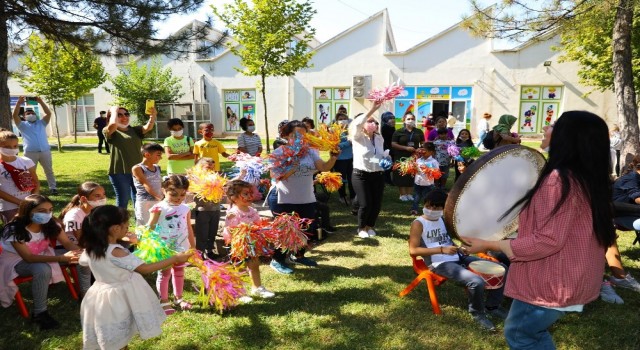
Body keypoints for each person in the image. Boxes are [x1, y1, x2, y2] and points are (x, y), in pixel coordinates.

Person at [462, 111, 617, 348]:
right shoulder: (586, 178)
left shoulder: (558, 180)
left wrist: (489, 244)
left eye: (553, 125)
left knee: (521, 335)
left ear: (567, 137)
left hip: (551, 281)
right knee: (532, 334)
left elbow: (547, 240)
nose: (545, 129)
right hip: (572, 278)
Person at [79, 205, 192, 349]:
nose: (128, 229)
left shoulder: (91, 248)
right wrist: (174, 258)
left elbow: (83, 261)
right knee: (120, 331)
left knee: (111, 332)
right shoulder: (117, 252)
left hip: (99, 295)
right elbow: (144, 268)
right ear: (115, 229)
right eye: (126, 226)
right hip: (120, 297)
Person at [409, 189, 508, 331]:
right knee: (476, 280)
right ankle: (478, 313)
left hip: (457, 256)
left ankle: (493, 306)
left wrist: (459, 248)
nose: (431, 210)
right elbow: (413, 250)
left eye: (437, 207)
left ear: (443, 208)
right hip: (439, 263)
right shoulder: (418, 224)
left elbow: (446, 240)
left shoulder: (442, 220)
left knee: (502, 268)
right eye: (429, 206)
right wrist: (442, 250)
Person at [0, 195, 81, 330]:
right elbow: (28, 258)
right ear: (27, 211)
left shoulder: (50, 224)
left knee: (79, 258)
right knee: (42, 269)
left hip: (42, 256)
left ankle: (85, 293)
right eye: (42, 211)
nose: (47, 214)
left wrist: (81, 253)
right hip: (13, 261)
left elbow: (67, 243)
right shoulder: (14, 229)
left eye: (50, 210)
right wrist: (60, 258)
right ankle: (40, 313)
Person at [267, 120, 339, 273]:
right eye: (295, 135)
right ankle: (277, 260)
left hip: (306, 197)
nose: (299, 138)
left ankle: (298, 255)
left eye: (303, 134)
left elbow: (323, 167)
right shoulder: (279, 152)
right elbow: (275, 175)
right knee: (285, 231)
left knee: (307, 229)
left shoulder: (310, 152)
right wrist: (293, 163)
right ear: (287, 135)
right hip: (283, 198)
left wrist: (333, 157)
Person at [147, 175, 196, 314]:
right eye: (173, 194)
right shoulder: (159, 208)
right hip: (164, 247)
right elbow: (150, 227)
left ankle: (178, 298)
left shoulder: (185, 208)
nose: (178, 197)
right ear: (164, 190)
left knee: (179, 271)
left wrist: (193, 246)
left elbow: (188, 228)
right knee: (164, 273)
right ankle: (163, 301)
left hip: (181, 246)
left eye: (182, 194)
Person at [224, 180, 275, 299]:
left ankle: (257, 288)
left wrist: (263, 223)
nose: (249, 196)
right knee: (240, 267)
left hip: (252, 243)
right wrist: (231, 222)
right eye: (245, 194)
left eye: (249, 193)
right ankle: (240, 292)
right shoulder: (233, 212)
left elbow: (258, 224)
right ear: (234, 198)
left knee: (254, 265)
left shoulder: (252, 210)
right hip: (238, 245)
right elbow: (230, 229)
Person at [58, 181, 107, 296]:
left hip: (86, 245)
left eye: (104, 194)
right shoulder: (74, 216)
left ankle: (103, 283)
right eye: (97, 196)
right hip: (68, 249)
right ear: (84, 199)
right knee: (88, 258)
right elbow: (82, 241)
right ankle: (86, 294)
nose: (103, 198)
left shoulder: (94, 211)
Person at [104, 105, 157, 209]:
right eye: (120, 115)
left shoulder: (134, 130)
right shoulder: (109, 130)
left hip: (138, 171)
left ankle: (140, 223)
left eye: (126, 114)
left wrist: (153, 115)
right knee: (123, 200)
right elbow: (113, 124)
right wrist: (114, 111)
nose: (124, 117)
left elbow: (148, 127)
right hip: (119, 172)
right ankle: (119, 224)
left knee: (139, 199)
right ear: (112, 116)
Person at [349, 102, 385, 238]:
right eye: (369, 121)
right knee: (365, 203)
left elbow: (376, 156)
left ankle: (370, 226)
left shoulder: (379, 137)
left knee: (376, 203)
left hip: (377, 174)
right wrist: (373, 109)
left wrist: (384, 160)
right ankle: (361, 228)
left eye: (374, 122)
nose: (372, 124)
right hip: (361, 175)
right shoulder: (358, 136)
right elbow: (357, 124)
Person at [11, 96, 57, 195]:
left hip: (45, 151)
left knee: (49, 170)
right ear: (24, 116)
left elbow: (48, 113)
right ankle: (30, 189)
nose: (31, 114)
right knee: (30, 172)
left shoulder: (42, 123)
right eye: (28, 113)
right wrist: (19, 103)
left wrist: (41, 102)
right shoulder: (22, 125)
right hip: (30, 153)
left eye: (32, 113)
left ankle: (53, 188)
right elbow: (15, 115)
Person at [0, 129, 40, 223]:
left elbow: (36, 182)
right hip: (9, 207)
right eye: (7, 147)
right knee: (14, 232)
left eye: (15, 146)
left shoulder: (26, 161)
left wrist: (33, 200)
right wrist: (21, 203)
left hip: (30, 203)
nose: (12, 149)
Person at [192, 158, 222, 260]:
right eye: (207, 166)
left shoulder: (216, 177)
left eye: (212, 167)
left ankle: (209, 252)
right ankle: (200, 254)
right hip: (202, 210)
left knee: (212, 232)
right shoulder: (195, 178)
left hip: (216, 209)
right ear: (200, 166)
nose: (210, 168)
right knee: (202, 233)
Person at [391, 112, 425, 202]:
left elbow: (423, 143)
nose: (411, 121)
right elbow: (393, 144)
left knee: (412, 174)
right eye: (408, 119)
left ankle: (409, 194)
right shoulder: (398, 132)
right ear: (404, 120)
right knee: (401, 174)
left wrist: (420, 149)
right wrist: (405, 148)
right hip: (401, 156)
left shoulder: (419, 131)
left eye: (412, 119)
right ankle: (402, 194)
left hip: (414, 157)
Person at [132, 143, 164, 226]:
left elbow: (160, 184)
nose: (161, 157)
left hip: (158, 201)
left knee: (157, 226)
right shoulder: (138, 168)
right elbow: (145, 184)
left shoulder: (157, 167)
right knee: (144, 227)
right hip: (145, 202)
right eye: (158, 155)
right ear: (147, 154)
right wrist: (159, 197)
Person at [410, 142, 438, 216]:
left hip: (428, 184)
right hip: (418, 182)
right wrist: (413, 168)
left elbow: (437, 173)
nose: (422, 151)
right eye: (421, 149)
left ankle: (427, 210)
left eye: (424, 150)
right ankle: (414, 209)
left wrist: (429, 170)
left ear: (431, 152)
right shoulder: (418, 160)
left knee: (427, 198)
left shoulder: (434, 162)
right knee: (416, 196)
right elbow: (415, 169)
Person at [333, 113, 355, 206]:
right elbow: (335, 144)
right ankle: (342, 196)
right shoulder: (333, 131)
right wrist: (348, 143)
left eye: (344, 118)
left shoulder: (351, 130)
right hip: (339, 159)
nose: (342, 120)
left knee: (352, 179)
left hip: (351, 158)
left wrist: (347, 143)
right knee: (341, 179)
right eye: (340, 119)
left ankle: (353, 196)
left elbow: (354, 141)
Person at [380, 111, 396, 185]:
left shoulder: (391, 127)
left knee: (390, 164)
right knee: (388, 165)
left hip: (390, 147)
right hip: (388, 148)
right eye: (390, 118)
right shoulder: (385, 127)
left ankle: (388, 179)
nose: (392, 120)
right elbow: (388, 139)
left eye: (393, 118)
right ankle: (387, 180)